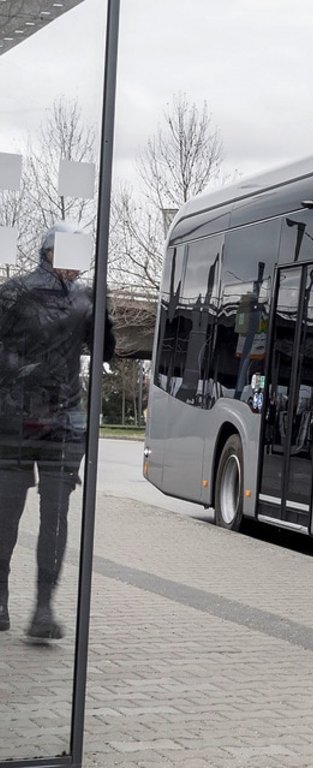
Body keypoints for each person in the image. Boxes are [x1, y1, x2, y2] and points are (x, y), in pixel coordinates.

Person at [0, 222, 114, 639]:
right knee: (7, 514)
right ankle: (2, 598)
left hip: (60, 420)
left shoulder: (85, 298)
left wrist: (103, 311)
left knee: (55, 515)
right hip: (17, 418)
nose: (75, 267)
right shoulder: (14, 292)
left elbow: (107, 350)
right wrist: (20, 371)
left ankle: (43, 608)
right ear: (49, 254)